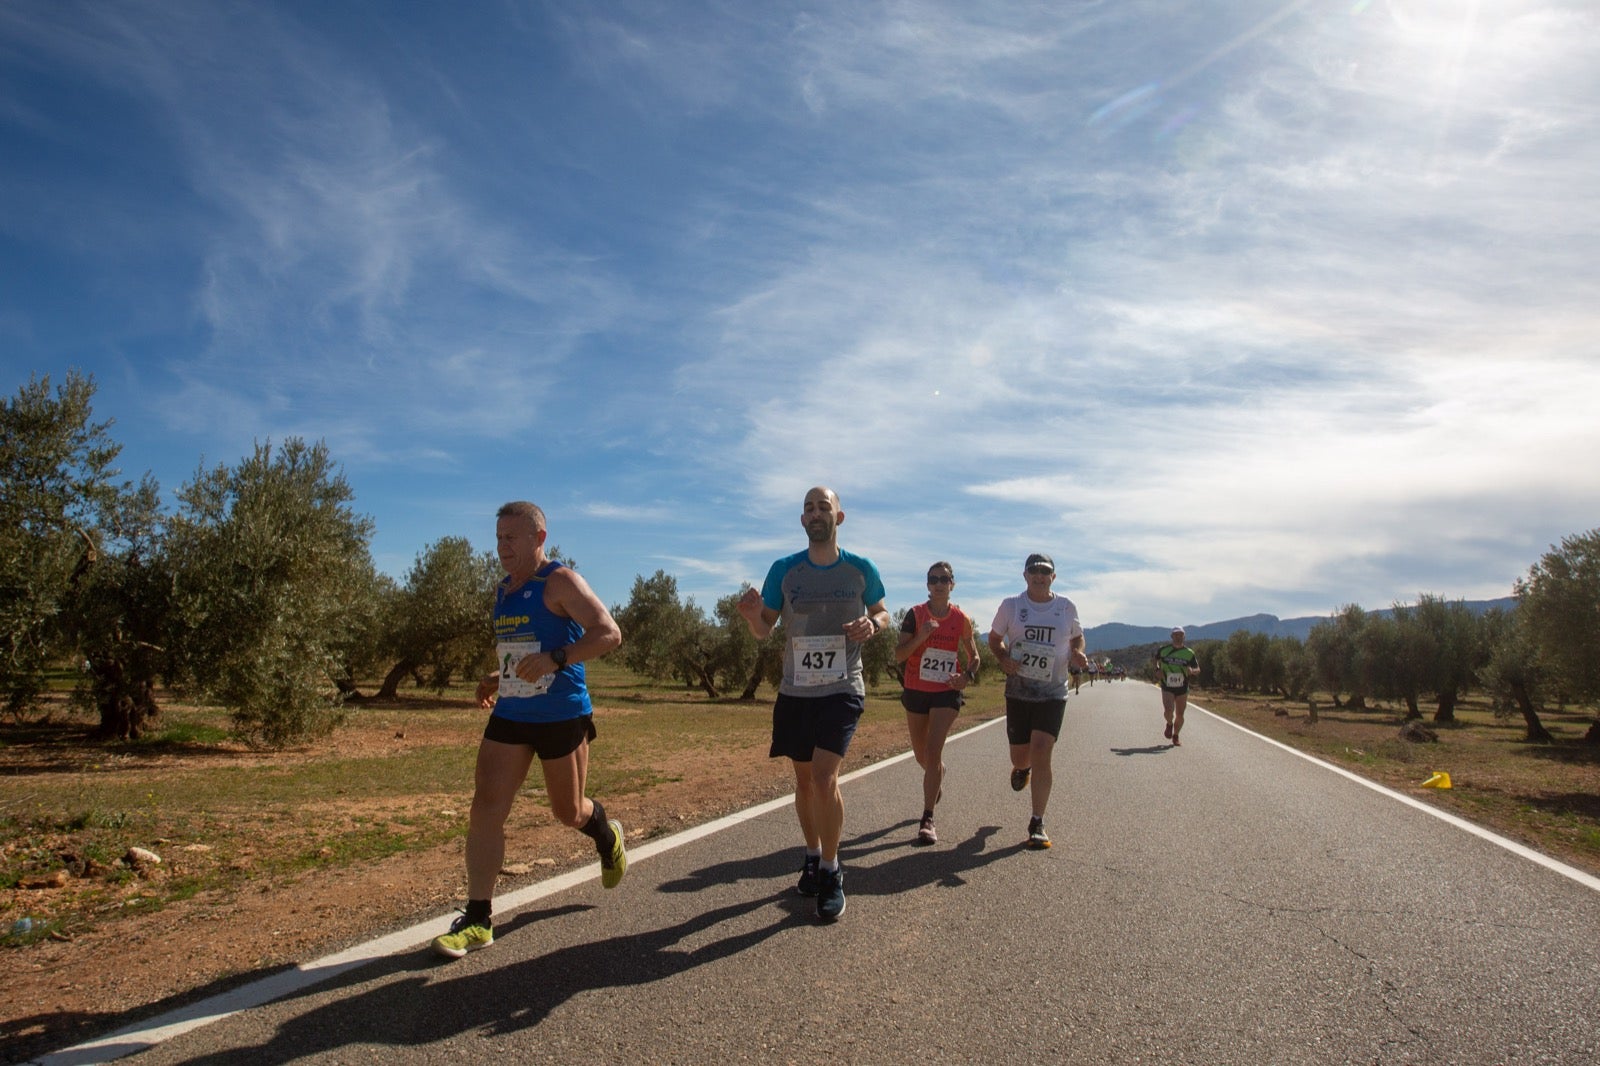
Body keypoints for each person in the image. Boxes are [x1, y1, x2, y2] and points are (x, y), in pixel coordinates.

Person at [433, 501, 626, 959]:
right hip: (513, 712)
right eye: (498, 537)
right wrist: (497, 677)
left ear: (539, 539)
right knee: (486, 807)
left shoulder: (559, 581)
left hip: (562, 714)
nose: (502, 547)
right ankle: (478, 918)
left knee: (568, 812)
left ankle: (605, 833)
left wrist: (559, 659)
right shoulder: (503, 590)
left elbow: (609, 633)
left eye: (511, 538)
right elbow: (525, 655)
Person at [738, 486, 889, 921]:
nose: (816, 513)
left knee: (825, 779)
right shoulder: (783, 571)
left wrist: (872, 625)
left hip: (842, 689)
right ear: (802, 521)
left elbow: (882, 611)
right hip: (795, 691)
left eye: (824, 506)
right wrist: (751, 616)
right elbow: (765, 628)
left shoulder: (860, 569)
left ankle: (831, 869)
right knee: (804, 783)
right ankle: (810, 854)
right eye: (809, 508)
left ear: (839, 518)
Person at [988, 553, 1088, 850]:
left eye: (1045, 571)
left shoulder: (1066, 607)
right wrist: (1003, 657)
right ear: (1025, 575)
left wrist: (1077, 652)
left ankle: (1037, 822)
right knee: (1021, 757)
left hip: (1053, 692)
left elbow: (1077, 638)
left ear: (1053, 577)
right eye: (1034, 571)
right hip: (1018, 692)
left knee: (1042, 750)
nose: (1039, 575)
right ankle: (1022, 769)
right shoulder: (1011, 606)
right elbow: (994, 640)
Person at [894, 561, 980, 845]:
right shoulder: (915, 615)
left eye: (945, 579)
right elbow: (899, 655)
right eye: (934, 579)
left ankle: (927, 817)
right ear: (927, 585)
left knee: (933, 749)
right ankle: (937, 776)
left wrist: (966, 676)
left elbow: (974, 656)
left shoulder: (961, 619)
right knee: (922, 755)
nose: (939, 583)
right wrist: (923, 635)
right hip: (917, 689)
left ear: (952, 584)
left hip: (946, 690)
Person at [1154, 627, 1200, 746]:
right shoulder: (1163, 650)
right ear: (1171, 637)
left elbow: (1198, 669)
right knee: (1168, 711)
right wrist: (1157, 670)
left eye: (1180, 635)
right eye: (1176, 635)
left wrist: (1192, 671)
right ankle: (1169, 724)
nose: (1178, 637)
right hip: (1167, 685)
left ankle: (1176, 735)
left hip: (1182, 687)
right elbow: (1156, 660)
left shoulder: (1189, 653)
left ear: (1184, 637)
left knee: (1180, 714)